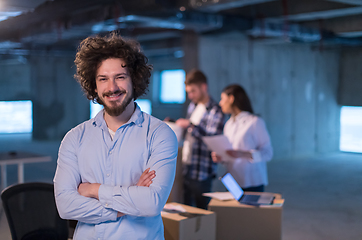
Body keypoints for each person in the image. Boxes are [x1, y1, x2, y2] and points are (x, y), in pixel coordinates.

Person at [53, 33, 178, 240]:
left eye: (120, 77)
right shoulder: (75, 138)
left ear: (134, 80)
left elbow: (152, 202)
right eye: (103, 79)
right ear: (94, 85)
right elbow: (65, 206)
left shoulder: (159, 134)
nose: (112, 88)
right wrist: (128, 200)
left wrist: (93, 190)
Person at [175, 69, 224, 209]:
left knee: (202, 213)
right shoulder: (193, 106)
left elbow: (212, 139)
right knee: (186, 211)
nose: (190, 96)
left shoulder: (215, 110)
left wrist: (190, 125)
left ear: (204, 87)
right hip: (187, 167)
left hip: (202, 171)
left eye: (193, 91)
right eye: (188, 92)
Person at [212, 84, 273, 192]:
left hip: (252, 182)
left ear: (231, 99)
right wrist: (221, 158)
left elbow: (268, 153)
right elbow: (230, 155)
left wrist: (243, 154)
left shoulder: (255, 122)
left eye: (222, 99)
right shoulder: (229, 124)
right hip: (233, 182)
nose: (220, 103)